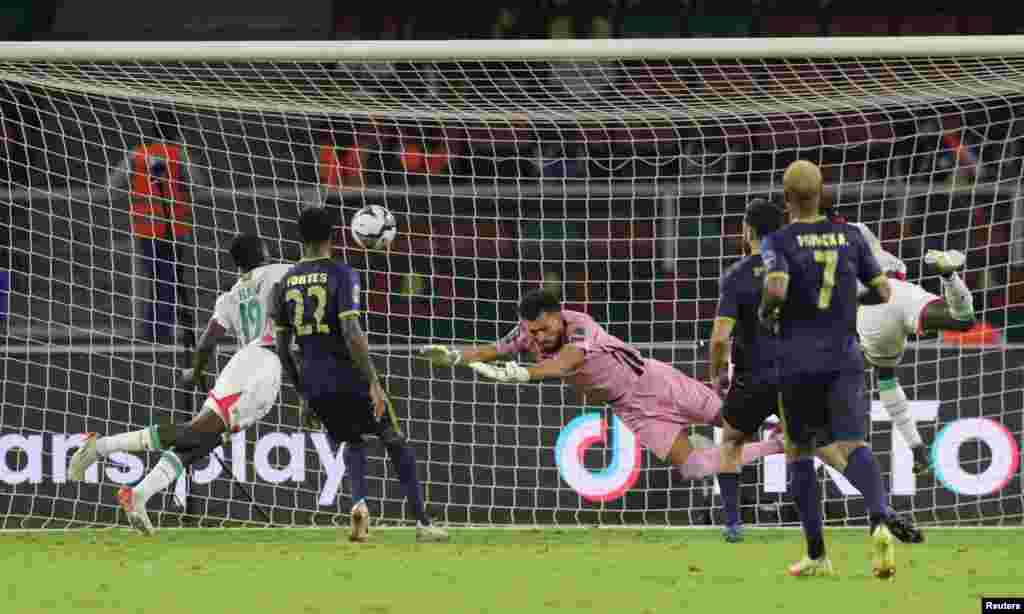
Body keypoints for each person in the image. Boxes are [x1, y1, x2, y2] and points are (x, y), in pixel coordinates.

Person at [711, 199, 923, 547]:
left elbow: (720, 338)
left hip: (753, 378)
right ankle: (879, 508)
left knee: (731, 441)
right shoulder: (798, 266)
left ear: (746, 230)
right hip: (798, 370)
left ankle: (734, 525)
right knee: (830, 450)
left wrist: (718, 375)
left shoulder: (736, 276)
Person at [420, 289, 784, 489]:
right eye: (531, 331)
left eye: (543, 330)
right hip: (632, 408)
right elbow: (490, 350)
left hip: (654, 381)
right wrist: (453, 356)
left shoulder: (581, 328)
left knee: (733, 418)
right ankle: (780, 445)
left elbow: (565, 363)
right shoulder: (527, 333)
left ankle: (795, 416)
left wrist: (524, 375)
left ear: (559, 318)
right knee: (692, 467)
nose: (536, 337)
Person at [68, 234, 291, 535]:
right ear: (265, 253)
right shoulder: (281, 272)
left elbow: (209, 339)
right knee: (197, 433)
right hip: (261, 364)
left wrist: (196, 371)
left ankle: (139, 495)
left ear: (237, 264)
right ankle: (101, 447)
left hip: (244, 364)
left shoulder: (230, 296)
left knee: (201, 441)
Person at [759, 160, 900, 578]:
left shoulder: (779, 239)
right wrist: (847, 301)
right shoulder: (852, 236)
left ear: (787, 200)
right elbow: (883, 290)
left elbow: (777, 288)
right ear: (823, 194)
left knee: (799, 451)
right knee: (853, 446)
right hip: (845, 355)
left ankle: (818, 554)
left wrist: (769, 313)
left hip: (798, 360)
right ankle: (878, 517)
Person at [273, 206, 447, 543]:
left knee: (352, 439)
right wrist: (373, 382)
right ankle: (423, 523)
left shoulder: (284, 282)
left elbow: (283, 347)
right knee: (394, 440)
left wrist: (304, 393)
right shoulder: (343, 273)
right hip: (350, 376)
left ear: (300, 237)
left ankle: (360, 505)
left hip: (315, 383)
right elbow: (352, 331)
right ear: (334, 235)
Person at [836, 216, 975, 473]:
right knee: (963, 319)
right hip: (899, 288)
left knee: (884, 374)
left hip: (871, 306)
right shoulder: (860, 228)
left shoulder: (806, 240)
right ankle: (948, 274)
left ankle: (917, 450)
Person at [107, 109, 208, 343]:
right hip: (173, 226)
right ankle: (160, 331)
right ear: (177, 131)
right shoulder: (178, 154)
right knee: (167, 279)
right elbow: (199, 184)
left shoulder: (137, 154)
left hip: (145, 227)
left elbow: (112, 184)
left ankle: (152, 327)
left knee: (153, 277)